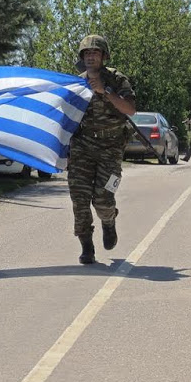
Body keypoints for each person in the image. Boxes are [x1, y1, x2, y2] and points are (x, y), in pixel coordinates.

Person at [69, 34, 136, 264]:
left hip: (111, 147)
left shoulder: (116, 79)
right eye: (87, 53)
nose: (90, 56)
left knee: (103, 199)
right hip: (83, 147)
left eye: (95, 53)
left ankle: (109, 221)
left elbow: (130, 109)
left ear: (103, 56)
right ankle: (86, 245)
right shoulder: (76, 84)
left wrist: (105, 91)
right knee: (79, 199)